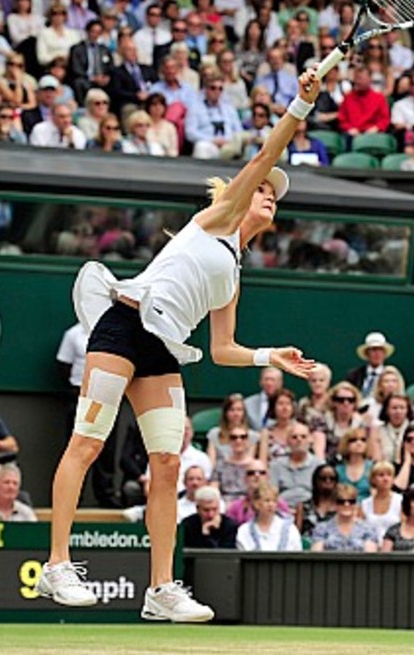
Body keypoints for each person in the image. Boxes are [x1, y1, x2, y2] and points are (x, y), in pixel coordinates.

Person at [38, 68, 322, 621]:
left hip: (163, 350)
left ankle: (161, 590)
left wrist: (270, 357)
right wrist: (300, 106)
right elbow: (265, 156)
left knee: (167, 464)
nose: (266, 194)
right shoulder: (215, 219)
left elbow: (222, 348)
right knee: (88, 442)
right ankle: (55, 566)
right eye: (261, 189)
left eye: (271, 195)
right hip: (123, 326)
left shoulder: (234, 273)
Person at [311, 483, 378, 553]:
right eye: (341, 501)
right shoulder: (321, 529)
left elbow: (370, 557)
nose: (346, 504)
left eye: (351, 501)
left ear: (356, 503)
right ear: (335, 504)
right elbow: (316, 556)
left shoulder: (368, 529)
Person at [236, 483, 302, 552]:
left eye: (274, 501)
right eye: (267, 500)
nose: (271, 505)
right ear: (256, 504)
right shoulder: (244, 530)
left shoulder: (290, 529)